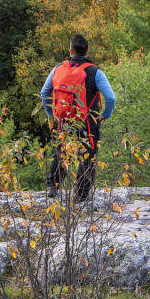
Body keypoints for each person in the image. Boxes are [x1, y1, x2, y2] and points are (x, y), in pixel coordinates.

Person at [40, 33, 116, 202]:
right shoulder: (94, 72)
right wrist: (105, 115)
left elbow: (44, 92)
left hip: (64, 120)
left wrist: (51, 113)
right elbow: (111, 98)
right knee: (88, 155)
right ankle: (80, 194)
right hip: (88, 122)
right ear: (87, 50)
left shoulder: (58, 69)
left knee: (63, 152)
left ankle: (53, 185)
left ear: (70, 50)